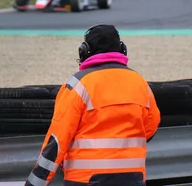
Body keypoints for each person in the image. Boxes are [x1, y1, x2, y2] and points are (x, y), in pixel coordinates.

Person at [25, 24, 161, 186]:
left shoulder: (78, 85)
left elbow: (58, 140)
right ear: (122, 49)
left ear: (84, 51)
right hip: (132, 178)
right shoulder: (140, 83)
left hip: (85, 179)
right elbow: (151, 127)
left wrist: (35, 183)